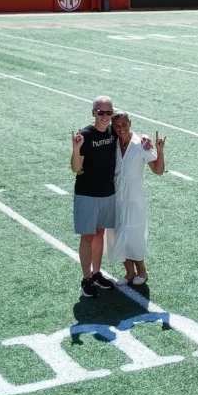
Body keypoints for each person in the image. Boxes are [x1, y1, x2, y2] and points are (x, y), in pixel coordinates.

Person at [106, 112, 165, 286]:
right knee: (117, 233)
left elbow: (158, 170)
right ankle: (129, 272)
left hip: (135, 198)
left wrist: (160, 152)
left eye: (124, 124)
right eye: (117, 125)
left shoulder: (141, 144)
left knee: (134, 235)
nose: (121, 128)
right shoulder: (111, 142)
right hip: (116, 197)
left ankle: (142, 271)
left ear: (130, 123)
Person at [71, 96, 120, 298]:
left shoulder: (113, 131)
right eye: (101, 112)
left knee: (99, 234)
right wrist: (75, 148)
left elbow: (129, 134)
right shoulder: (85, 135)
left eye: (109, 112)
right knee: (88, 236)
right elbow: (76, 168)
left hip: (107, 193)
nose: (105, 116)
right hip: (87, 194)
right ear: (93, 113)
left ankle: (97, 273)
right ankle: (86, 279)